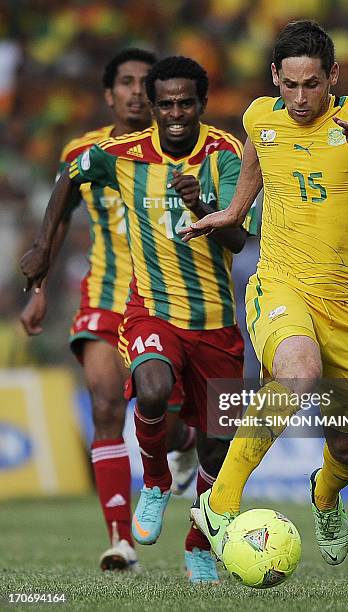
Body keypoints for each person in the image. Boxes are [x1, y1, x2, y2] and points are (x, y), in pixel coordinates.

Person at [181, 19, 348, 566]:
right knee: (298, 372)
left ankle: (325, 494)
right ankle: (219, 503)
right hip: (279, 283)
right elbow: (256, 155)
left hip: (345, 304)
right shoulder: (259, 115)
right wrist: (232, 212)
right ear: (275, 76)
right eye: (289, 85)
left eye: (312, 85)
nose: (299, 98)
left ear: (333, 77)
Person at [20, 55, 257, 583]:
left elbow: (240, 239)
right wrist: (40, 252)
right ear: (151, 106)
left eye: (185, 103)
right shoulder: (117, 153)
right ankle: (148, 490)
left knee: (217, 442)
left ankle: (199, 541)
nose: (175, 113)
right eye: (165, 103)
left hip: (215, 320)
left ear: (202, 104)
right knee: (143, 391)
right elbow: (67, 176)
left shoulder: (226, 153)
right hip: (145, 307)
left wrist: (203, 208)